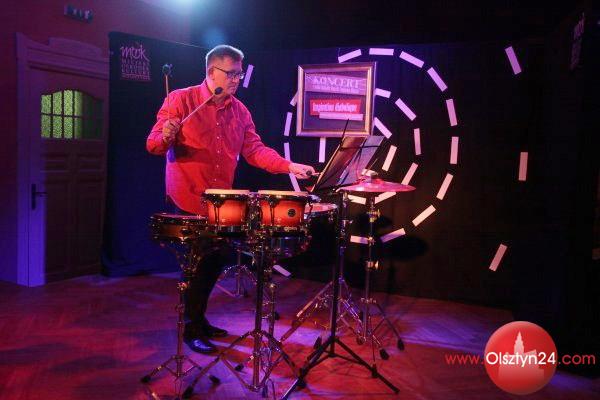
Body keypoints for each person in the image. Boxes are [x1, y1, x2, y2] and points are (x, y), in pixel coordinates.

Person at [146, 44, 315, 353]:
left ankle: (198, 320)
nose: (237, 79)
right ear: (212, 72)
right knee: (198, 264)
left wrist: (290, 166)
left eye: (240, 74)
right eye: (232, 73)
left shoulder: (240, 111)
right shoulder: (180, 100)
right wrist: (167, 134)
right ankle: (191, 329)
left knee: (214, 260)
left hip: (219, 203)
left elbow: (255, 151)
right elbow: (154, 145)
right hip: (188, 197)